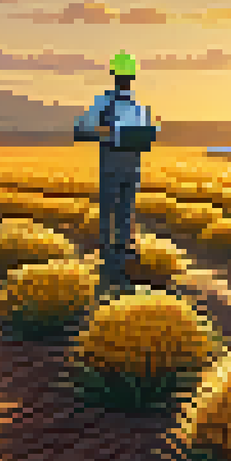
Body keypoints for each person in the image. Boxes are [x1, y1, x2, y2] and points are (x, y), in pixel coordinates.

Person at [74, 51, 158, 290]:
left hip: (112, 164)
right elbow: (146, 137)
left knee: (109, 213)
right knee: (125, 213)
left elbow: (83, 130)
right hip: (132, 165)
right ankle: (123, 263)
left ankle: (110, 265)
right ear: (132, 77)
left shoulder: (103, 102)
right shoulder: (139, 107)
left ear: (113, 75)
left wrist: (106, 133)